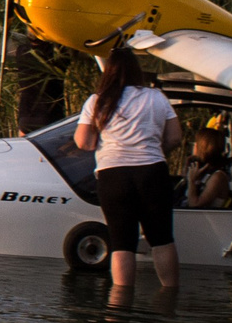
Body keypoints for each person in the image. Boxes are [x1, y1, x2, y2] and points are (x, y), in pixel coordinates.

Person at [75, 43, 182, 289]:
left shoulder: (97, 101)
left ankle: (121, 303)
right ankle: (170, 294)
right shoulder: (156, 97)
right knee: (161, 238)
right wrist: (156, 150)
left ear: (108, 72)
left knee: (122, 243)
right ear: (137, 70)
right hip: (152, 171)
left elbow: (83, 142)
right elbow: (175, 137)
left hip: (113, 175)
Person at [183, 122, 232, 210]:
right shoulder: (203, 170)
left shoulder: (217, 177)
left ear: (203, 148)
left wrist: (191, 181)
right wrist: (187, 168)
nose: (194, 145)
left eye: (197, 143)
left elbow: (195, 206)